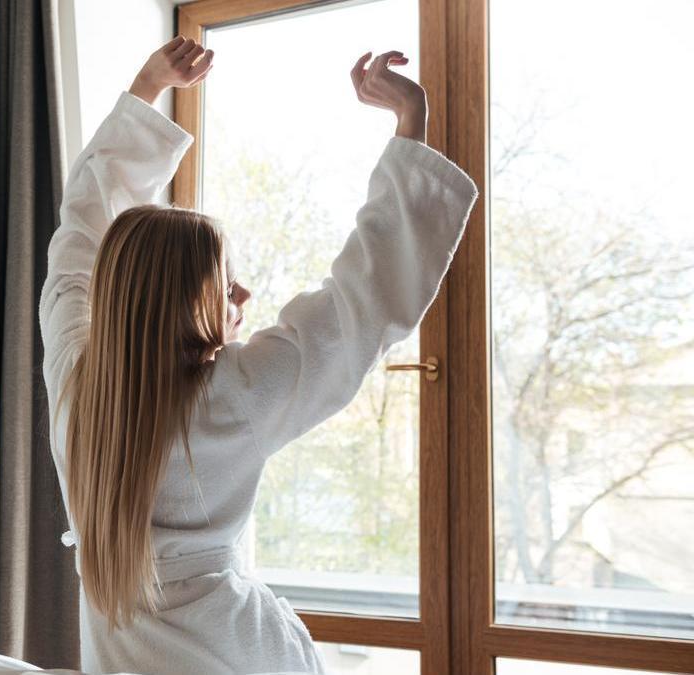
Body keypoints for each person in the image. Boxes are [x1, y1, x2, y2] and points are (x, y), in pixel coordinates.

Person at [39, 35, 479, 675]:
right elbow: (360, 299)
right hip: (237, 654)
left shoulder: (74, 380)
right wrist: (411, 123)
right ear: (182, 301)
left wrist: (144, 90)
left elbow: (80, 241)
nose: (242, 294)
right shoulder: (231, 395)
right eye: (224, 283)